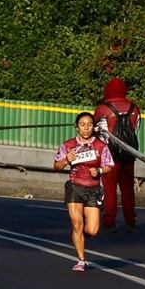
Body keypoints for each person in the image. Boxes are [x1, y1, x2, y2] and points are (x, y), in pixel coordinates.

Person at [53, 112, 113, 271]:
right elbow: (56, 166)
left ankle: (79, 236)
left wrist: (99, 171)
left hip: (93, 190)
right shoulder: (68, 145)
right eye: (82, 125)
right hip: (74, 187)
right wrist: (67, 160)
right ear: (77, 127)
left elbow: (109, 165)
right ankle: (81, 260)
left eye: (89, 125)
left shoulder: (101, 146)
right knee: (77, 224)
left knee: (93, 230)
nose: (86, 128)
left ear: (93, 127)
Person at [93, 77, 141, 233]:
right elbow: (136, 129)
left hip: (109, 155)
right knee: (127, 188)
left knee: (109, 188)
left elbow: (98, 134)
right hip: (129, 153)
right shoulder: (135, 108)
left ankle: (109, 221)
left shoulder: (102, 109)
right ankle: (130, 221)